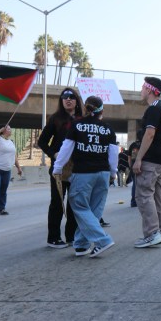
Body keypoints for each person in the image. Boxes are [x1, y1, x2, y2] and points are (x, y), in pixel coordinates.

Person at [52, 96, 118, 258]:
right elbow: (113, 153)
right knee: (94, 210)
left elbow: (66, 148)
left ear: (86, 109)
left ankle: (102, 240)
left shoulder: (77, 125)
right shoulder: (108, 128)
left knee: (80, 207)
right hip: (102, 173)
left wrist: (58, 167)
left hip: (83, 172)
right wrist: (113, 173)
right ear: (102, 110)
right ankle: (81, 244)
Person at [38, 88, 82, 248]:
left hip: (78, 169)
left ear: (77, 100)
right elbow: (42, 142)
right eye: (64, 97)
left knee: (74, 204)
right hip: (59, 169)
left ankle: (71, 236)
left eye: (71, 97)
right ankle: (53, 238)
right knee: (57, 203)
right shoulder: (55, 119)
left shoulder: (82, 119)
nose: (68, 99)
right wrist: (53, 154)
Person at [132, 77, 161, 248]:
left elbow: (149, 134)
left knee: (143, 194)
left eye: (142, 87)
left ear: (149, 89)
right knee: (157, 196)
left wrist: (138, 158)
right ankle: (158, 232)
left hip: (152, 158)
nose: (141, 90)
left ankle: (152, 233)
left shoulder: (154, 109)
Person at [127, 133, 142, 207]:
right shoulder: (143, 143)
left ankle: (133, 201)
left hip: (133, 164)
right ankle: (140, 201)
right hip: (141, 164)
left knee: (135, 184)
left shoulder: (133, 145)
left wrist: (130, 166)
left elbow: (129, 157)